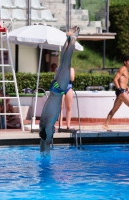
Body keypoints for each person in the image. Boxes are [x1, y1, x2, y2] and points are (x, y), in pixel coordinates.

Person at [39, 26, 80, 156]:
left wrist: (46, 155)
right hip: (52, 90)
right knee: (62, 63)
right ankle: (67, 39)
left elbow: (46, 141)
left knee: (66, 63)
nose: (54, 132)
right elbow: (42, 139)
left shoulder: (49, 122)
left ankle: (72, 39)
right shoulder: (42, 122)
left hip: (58, 91)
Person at [102, 55, 129, 131]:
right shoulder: (123, 68)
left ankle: (105, 124)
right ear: (125, 62)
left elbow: (123, 81)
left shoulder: (126, 70)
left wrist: (127, 87)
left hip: (122, 91)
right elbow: (115, 79)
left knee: (114, 109)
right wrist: (119, 88)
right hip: (121, 91)